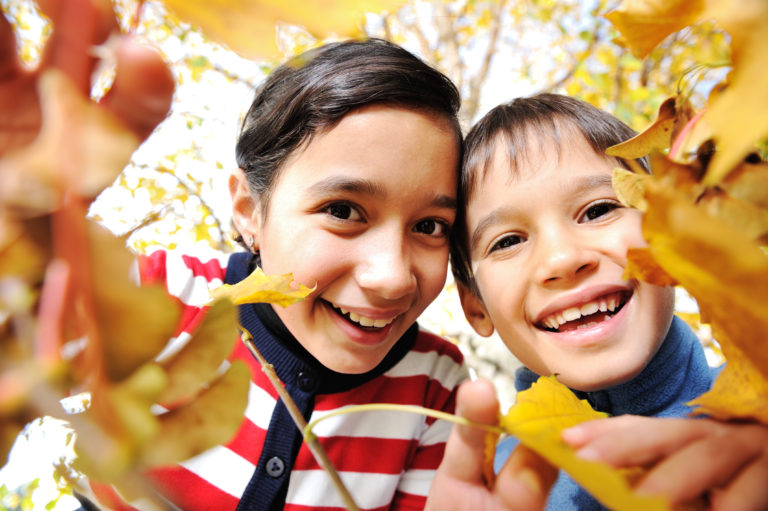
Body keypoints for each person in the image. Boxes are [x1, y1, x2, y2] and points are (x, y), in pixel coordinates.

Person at [444, 92, 768, 510]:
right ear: (475, 306)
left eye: (597, 211)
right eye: (507, 241)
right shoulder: (490, 487)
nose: (562, 260)